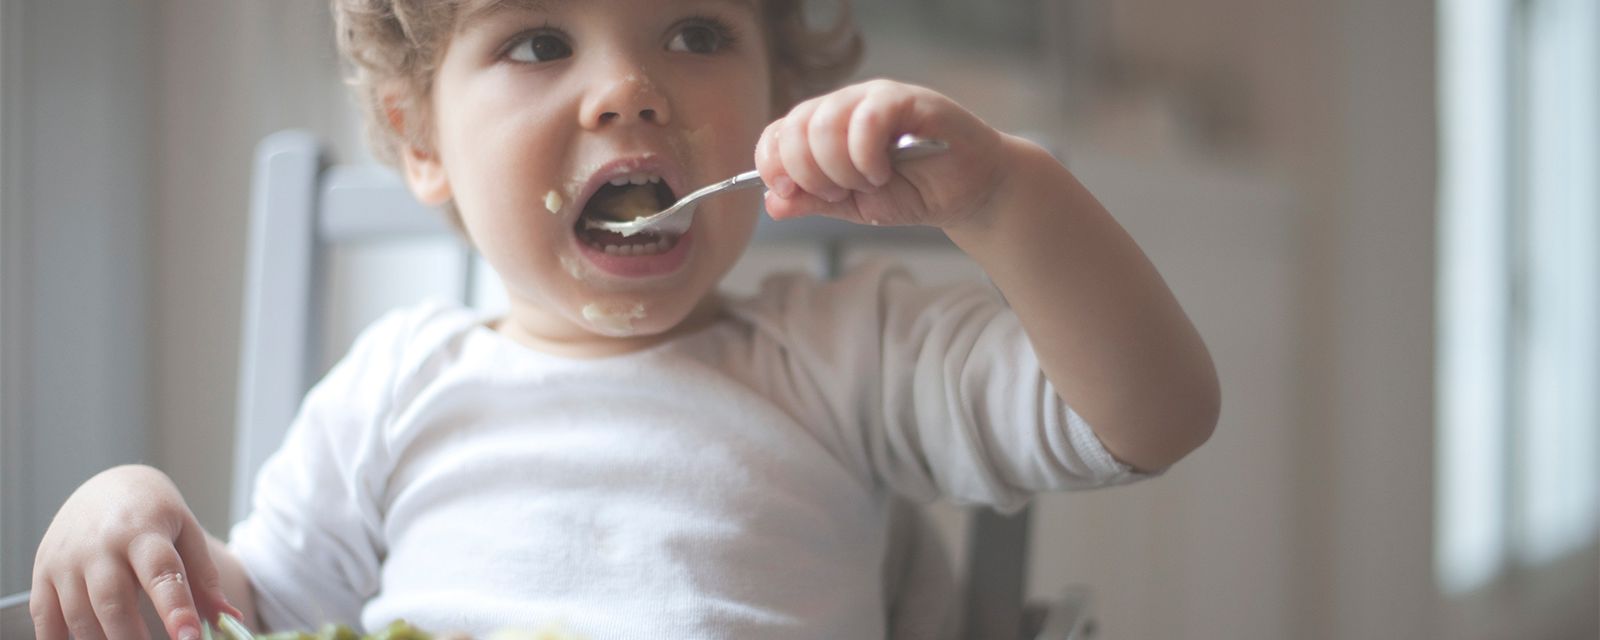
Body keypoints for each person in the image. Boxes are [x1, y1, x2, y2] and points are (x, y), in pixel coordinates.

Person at [30, 0, 1220, 638]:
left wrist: (1006, 197)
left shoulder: (844, 356)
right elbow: (252, 615)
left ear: (779, 100)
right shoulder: (390, 390)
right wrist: (126, 516)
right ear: (417, 138)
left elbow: (1152, 416)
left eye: (697, 33)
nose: (629, 87)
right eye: (537, 40)